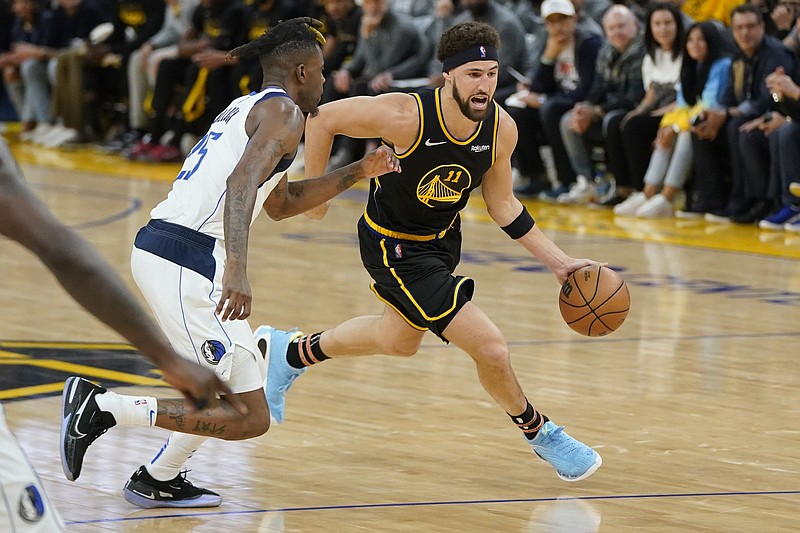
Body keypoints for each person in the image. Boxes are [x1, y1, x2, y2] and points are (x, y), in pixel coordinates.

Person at [59, 17, 400, 509]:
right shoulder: (285, 113)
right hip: (188, 258)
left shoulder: (250, 108)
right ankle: (103, 408)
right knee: (242, 411)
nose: (326, 81)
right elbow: (241, 186)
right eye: (323, 72)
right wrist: (236, 268)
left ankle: (158, 476)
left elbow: (278, 203)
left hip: (180, 253)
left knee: (238, 401)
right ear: (301, 71)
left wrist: (360, 170)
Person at [258, 21, 603, 483]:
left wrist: (559, 262)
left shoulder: (502, 129)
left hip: (441, 242)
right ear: (448, 77)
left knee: (398, 341)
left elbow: (503, 205)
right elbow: (323, 118)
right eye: (473, 74)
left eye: (492, 74)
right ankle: (543, 434)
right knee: (493, 349)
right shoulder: (404, 115)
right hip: (392, 246)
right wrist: (315, 197)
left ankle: (290, 353)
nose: (485, 85)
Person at [0, 136, 238, 530]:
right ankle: (111, 416)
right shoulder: (278, 113)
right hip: (187, 255)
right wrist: (168, 360)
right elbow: (62, 253)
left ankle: (154, 468)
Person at [558, 4, 645, 206]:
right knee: (568, 120)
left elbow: (634, 96)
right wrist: (584, 107)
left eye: (622, 26)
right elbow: (598, 86)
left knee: (610, 121)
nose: (617, 32)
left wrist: (596, 111)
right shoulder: (607, 50)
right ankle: (587, 181)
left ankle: (622, 185)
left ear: (635, 25)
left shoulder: (643, 50)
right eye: (612, 28)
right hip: (608, 108)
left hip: (633, 109)